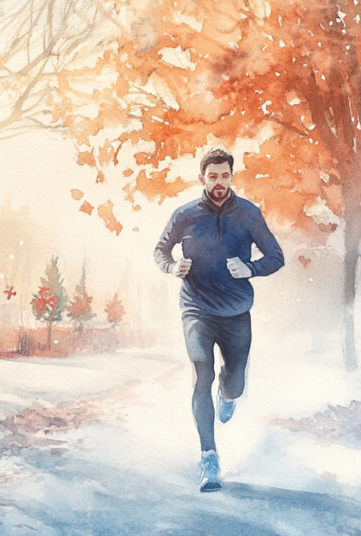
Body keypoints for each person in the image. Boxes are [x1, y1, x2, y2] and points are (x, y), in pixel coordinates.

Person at [154, 147, 285, 492]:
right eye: (212, 176)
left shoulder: (248, 214)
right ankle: (209, 457)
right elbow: (161, 250)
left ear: (231, 176)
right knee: (202, 374)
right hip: (196, 308)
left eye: (225, 175)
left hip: (236, 310)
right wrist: (171, 267)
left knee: (234, 380)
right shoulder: (184, 215)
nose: (219, 183)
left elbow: (276, 256)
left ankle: (229, 394)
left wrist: (251, 268)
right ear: (202, 178)